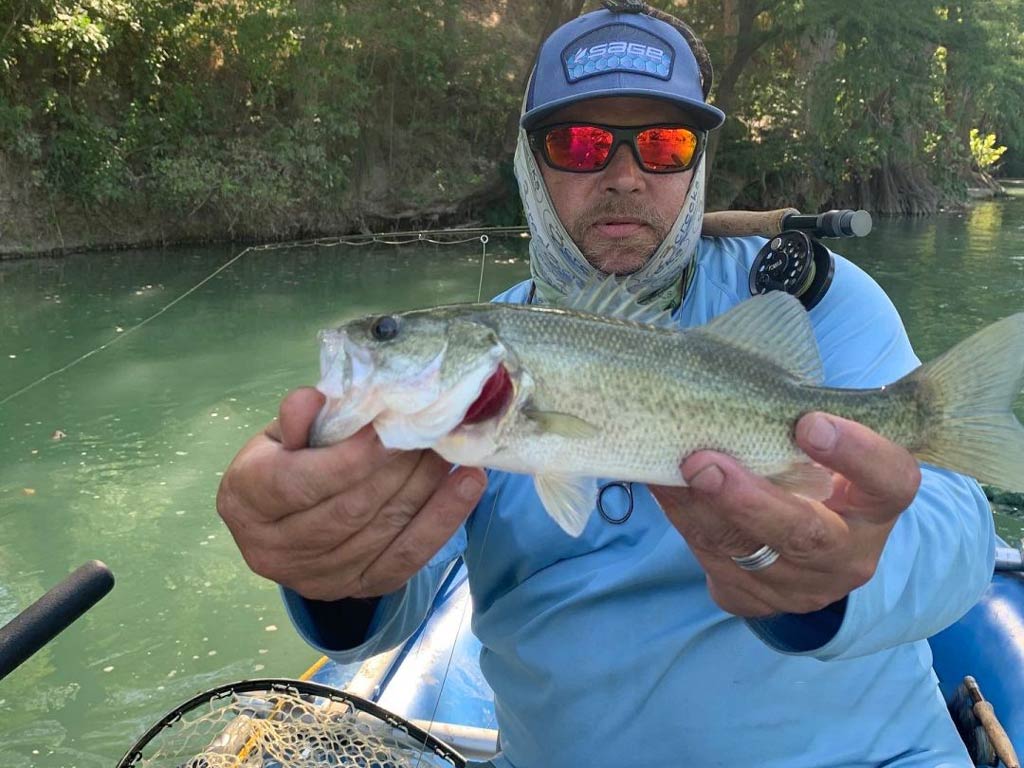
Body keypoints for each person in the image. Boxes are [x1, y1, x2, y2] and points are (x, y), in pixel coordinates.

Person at [216, 5, 995, 767]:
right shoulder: (470, 387)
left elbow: (960, 539)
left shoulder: (815, 301)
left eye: (663, 144)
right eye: (580, 143)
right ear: (531, 164)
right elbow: (393, 607)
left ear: (697, 165)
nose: (624, 176)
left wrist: (825, 582)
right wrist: (332, 576)